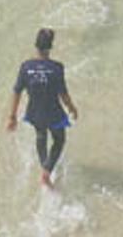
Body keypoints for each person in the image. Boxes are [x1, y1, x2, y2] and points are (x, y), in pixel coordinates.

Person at [5, 28, 78, 190]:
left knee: (41, 135)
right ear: (50, 47)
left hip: (35, 112)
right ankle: (46, 171)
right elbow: (63, 94)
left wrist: (12, 116)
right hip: (54, 113)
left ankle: (44, 165)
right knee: (59, 140)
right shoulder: (57, 68)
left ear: (36, 46)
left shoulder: (25, 67)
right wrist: (72, 108)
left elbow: (17, 92)